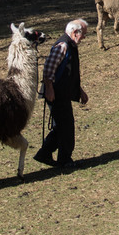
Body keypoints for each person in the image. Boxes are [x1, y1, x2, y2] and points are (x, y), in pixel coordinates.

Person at [33, 18, 89, 168]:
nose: (84, 37)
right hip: (56, 93)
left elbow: (69, 72)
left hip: (61, 93)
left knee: (62, 126)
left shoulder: (69, 45)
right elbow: (48, 69)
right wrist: (50, 89)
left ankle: (44, 154)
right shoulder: (63, 45)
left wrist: (79, 91)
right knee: (66, 127)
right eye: (83, 33)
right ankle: (64, 160)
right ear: (75, 32)